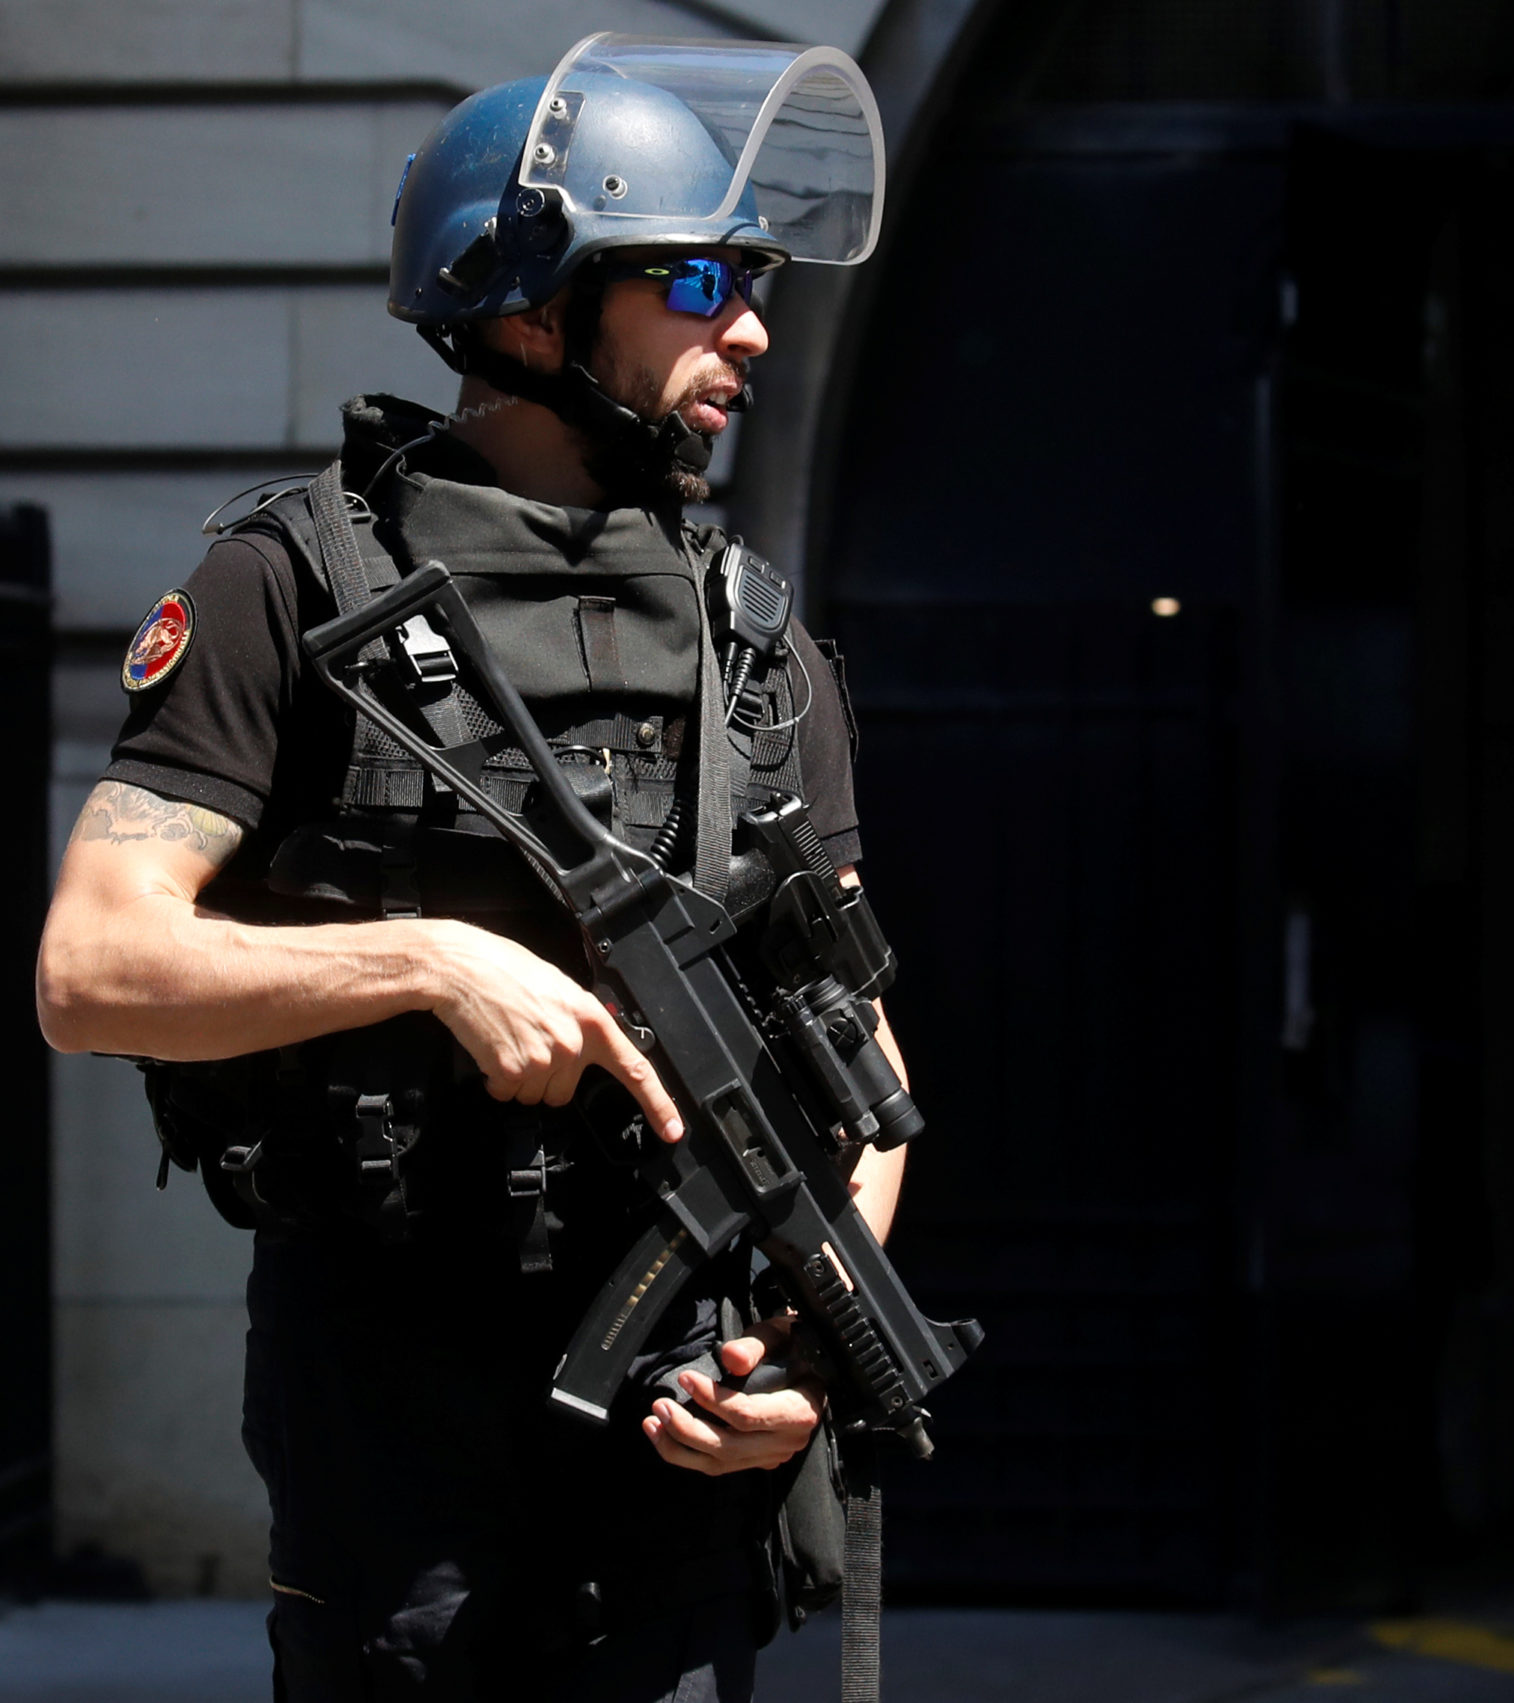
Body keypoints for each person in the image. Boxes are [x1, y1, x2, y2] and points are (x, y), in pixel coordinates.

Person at [36, 38, 897, 1700]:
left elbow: (867, 1062)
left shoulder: (755, 631)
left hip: (679, 1441)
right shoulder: (283, 582)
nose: (755, 330)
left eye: (762, 281)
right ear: (530, 307)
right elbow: (90, 971)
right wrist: (425, 958)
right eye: (702, 280)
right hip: (399, 1444)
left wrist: (806, 1350)